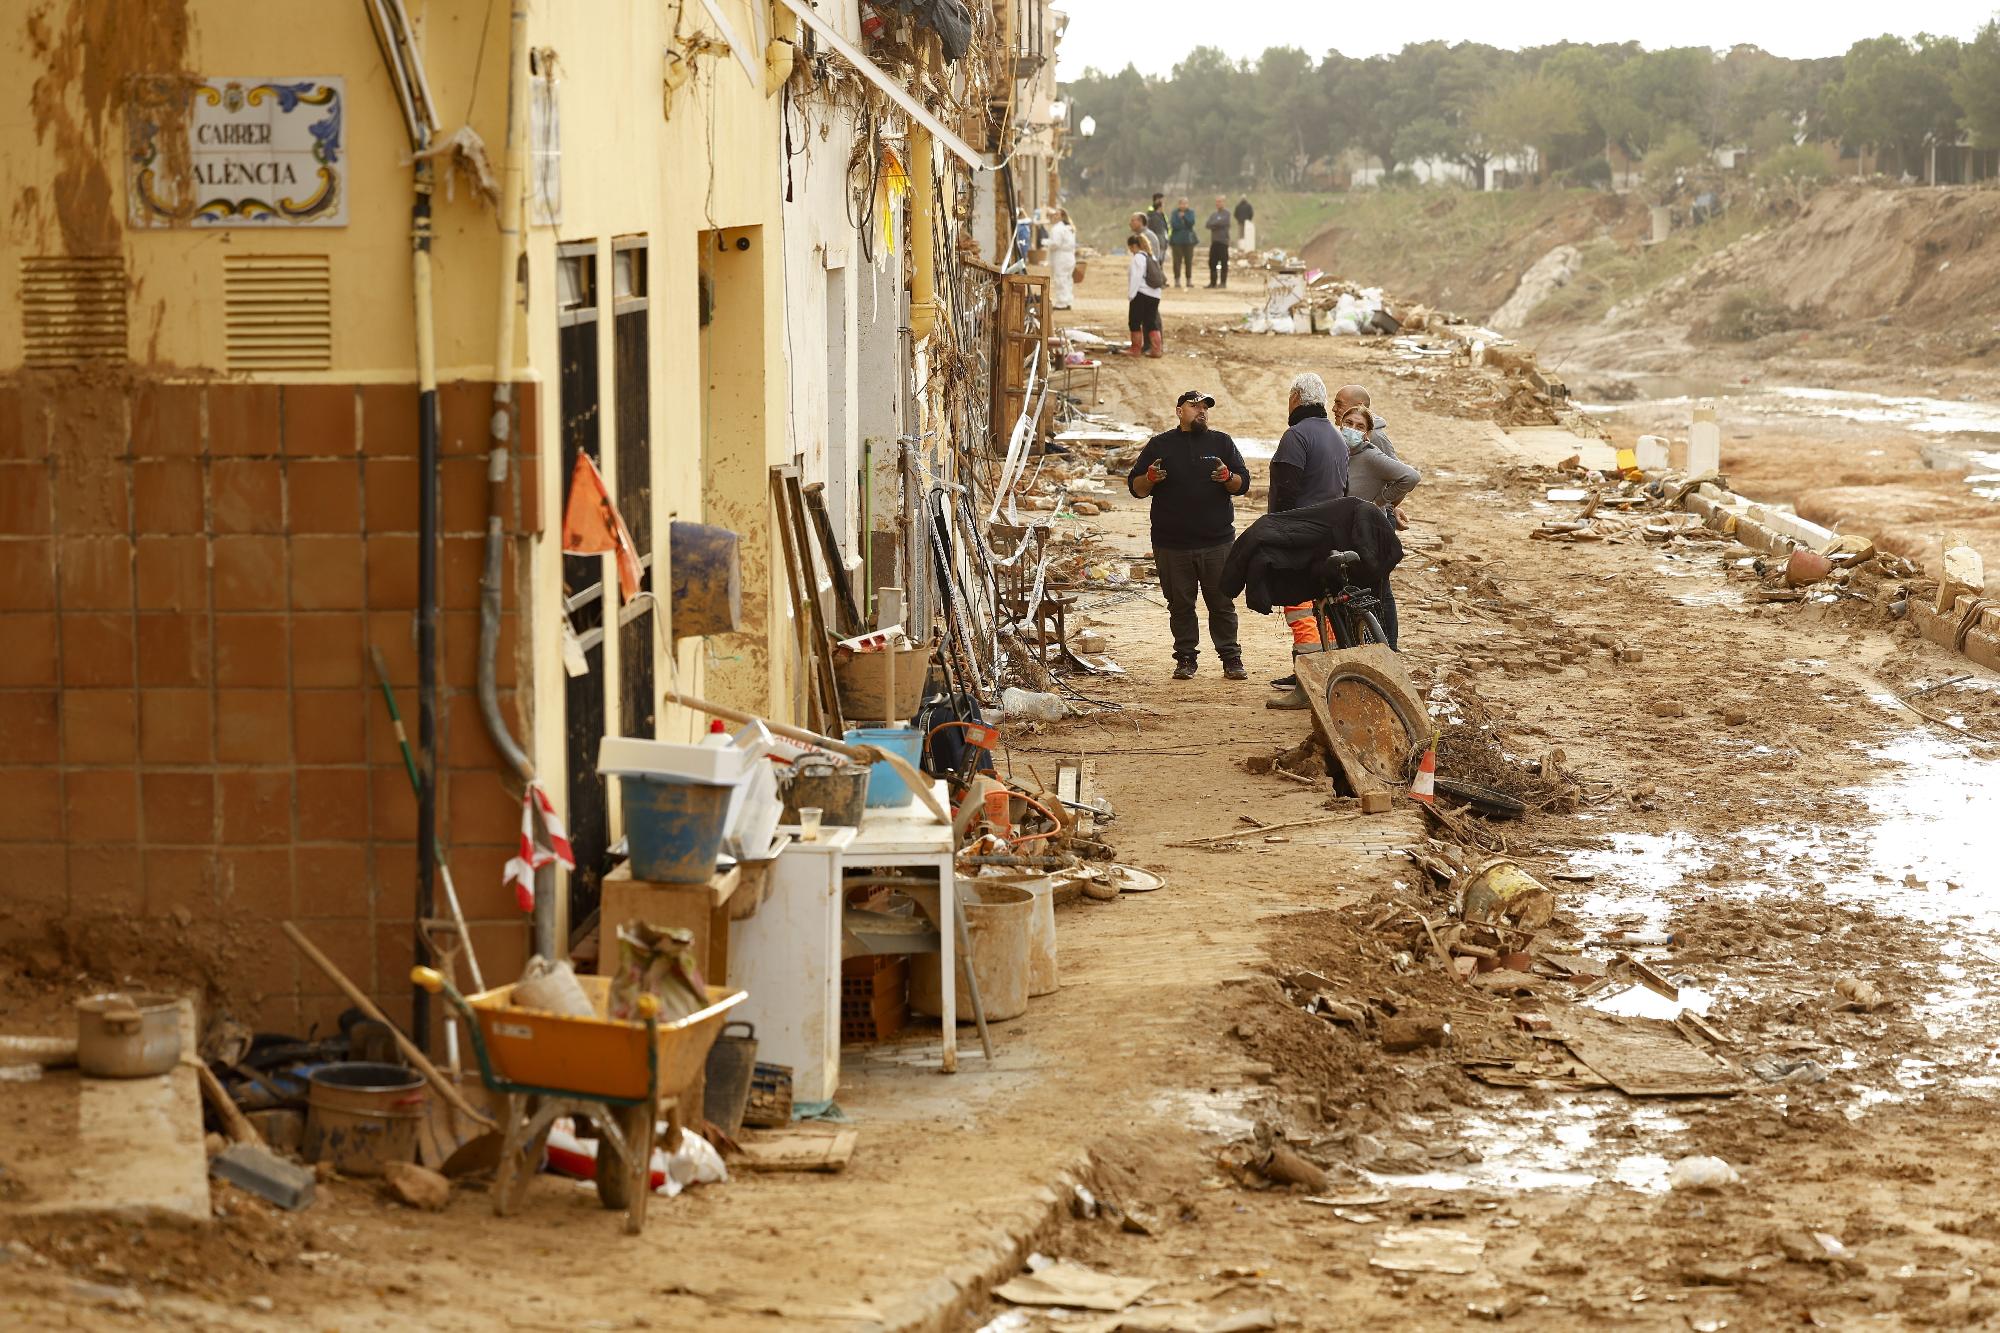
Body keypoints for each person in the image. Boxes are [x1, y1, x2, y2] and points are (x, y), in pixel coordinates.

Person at [1126, 390, 1251, 680]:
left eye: (1205, 407)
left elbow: (1243, 483)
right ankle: (1185, 659)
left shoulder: (1222, 442)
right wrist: (1151, 479)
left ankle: (1231, 659)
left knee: (1222, 604)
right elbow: (1136, 487)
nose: (1201, 411)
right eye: (1194, 406)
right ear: (1179, 411)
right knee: (1180, 606)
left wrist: (1228, 478)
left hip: (1217, 542)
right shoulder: (1160, 445)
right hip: (1172, 544)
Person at [1266, 372, 1350, 709]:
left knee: (1300, 611)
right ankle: (1328, 682)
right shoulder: (1336, 437)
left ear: (1297, 398)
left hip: (1300, 538)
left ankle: (1307, 686)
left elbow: (1286, 491)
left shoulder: (1296, 436)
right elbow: (1344, 489)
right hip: (1329, 535)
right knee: (1322, 612)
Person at [1333, 384, 1418, 528]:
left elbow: (1400, 478)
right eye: (1348, 423)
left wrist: (1383, 505)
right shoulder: (1339, 445)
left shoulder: (1375, 440)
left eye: (1339, 404)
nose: (1334, 408)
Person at [1124, 234, 1163, 358]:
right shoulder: (1152, 257)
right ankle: (1157, 350)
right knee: (1151, 321)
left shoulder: (1138, 258)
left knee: (1134, 322)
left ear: (1134, 246)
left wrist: (1131, 295)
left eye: (1130, 248)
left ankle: (1135, 349)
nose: (1130, 250)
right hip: (1155, 294)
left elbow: (1136, 278)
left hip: (1141, 293)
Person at [1047, 207, 1077, 309]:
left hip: (1061, 257)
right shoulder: (1069, 228)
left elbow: (1056, 243)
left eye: (1056, 214)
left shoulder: (1057, 229)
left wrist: (1046, 243)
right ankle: (1068, 301)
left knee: (1060, 279)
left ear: (1061, 216)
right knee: (1067, 279)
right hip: (1069, 257)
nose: (1054, 216)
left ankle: (1061, 303)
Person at [1167, 196, 1198, 288]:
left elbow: (1191, 223)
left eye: (1185, 203)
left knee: (1188, 261)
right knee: (1177, 261)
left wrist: (1184, 217)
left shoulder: (1190, 212)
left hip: (1188, 240)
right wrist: (1182, 224)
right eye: (1182, 203)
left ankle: (1189, 280)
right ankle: (1177, 280)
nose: (1183, 205)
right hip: (1177, 241)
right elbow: (1174, 225)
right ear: (1179, 204)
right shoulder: (1174, 213)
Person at [1206, 195, 1233, 288]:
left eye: (1220, 201)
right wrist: (1217, 223)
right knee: (1212, 262)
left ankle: (1223, 283)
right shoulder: (1213, 214)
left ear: (1224, 202)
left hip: (1223, 242)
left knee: (1223, 263)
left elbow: (1224, 222)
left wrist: (1215, 224)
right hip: (1214, 241)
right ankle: (1213, 283)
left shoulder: (1227, 213)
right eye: (1217, 201)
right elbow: (1208, 224)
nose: (1218, 203)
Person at [1145, 194, 1170, 277]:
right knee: (1156, 261)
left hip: (1163, 240)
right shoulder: (1153, 214)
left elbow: (1166, 227)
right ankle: (1158, 279)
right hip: (1157, 241)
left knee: (1160, 261)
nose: (1164, 203)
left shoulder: (1162, 214)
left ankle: (1160, 278)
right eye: (1162, 200)